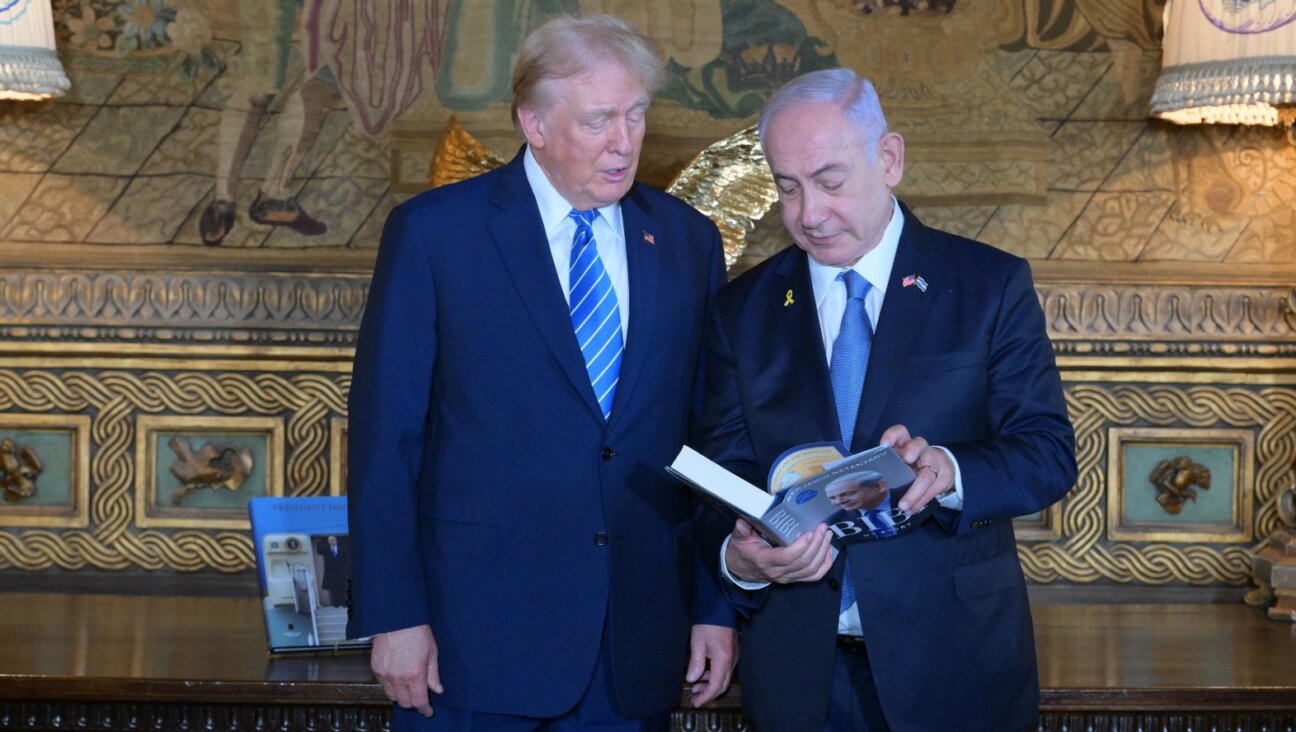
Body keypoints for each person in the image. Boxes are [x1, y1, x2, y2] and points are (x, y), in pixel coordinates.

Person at [346, 15, 736, 732]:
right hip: (471, 645)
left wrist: (715, 607)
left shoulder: (686, 241)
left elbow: (707, 440)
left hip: (634, 647)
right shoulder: (437, 234)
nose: (625, 141)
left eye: (636, 115)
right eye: (599, 120)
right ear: (535, 122)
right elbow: (385, 438)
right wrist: (394, 616)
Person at [695, 67, 1076, 731]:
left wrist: (952, 471)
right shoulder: (741, 310)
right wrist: (741, 560)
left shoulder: (989, 286)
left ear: (889, 158)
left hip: (955, 667)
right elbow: (717, 486)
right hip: (796, 675)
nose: (808, 213)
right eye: (788, 188)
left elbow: (1047, 453)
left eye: (830, 181)